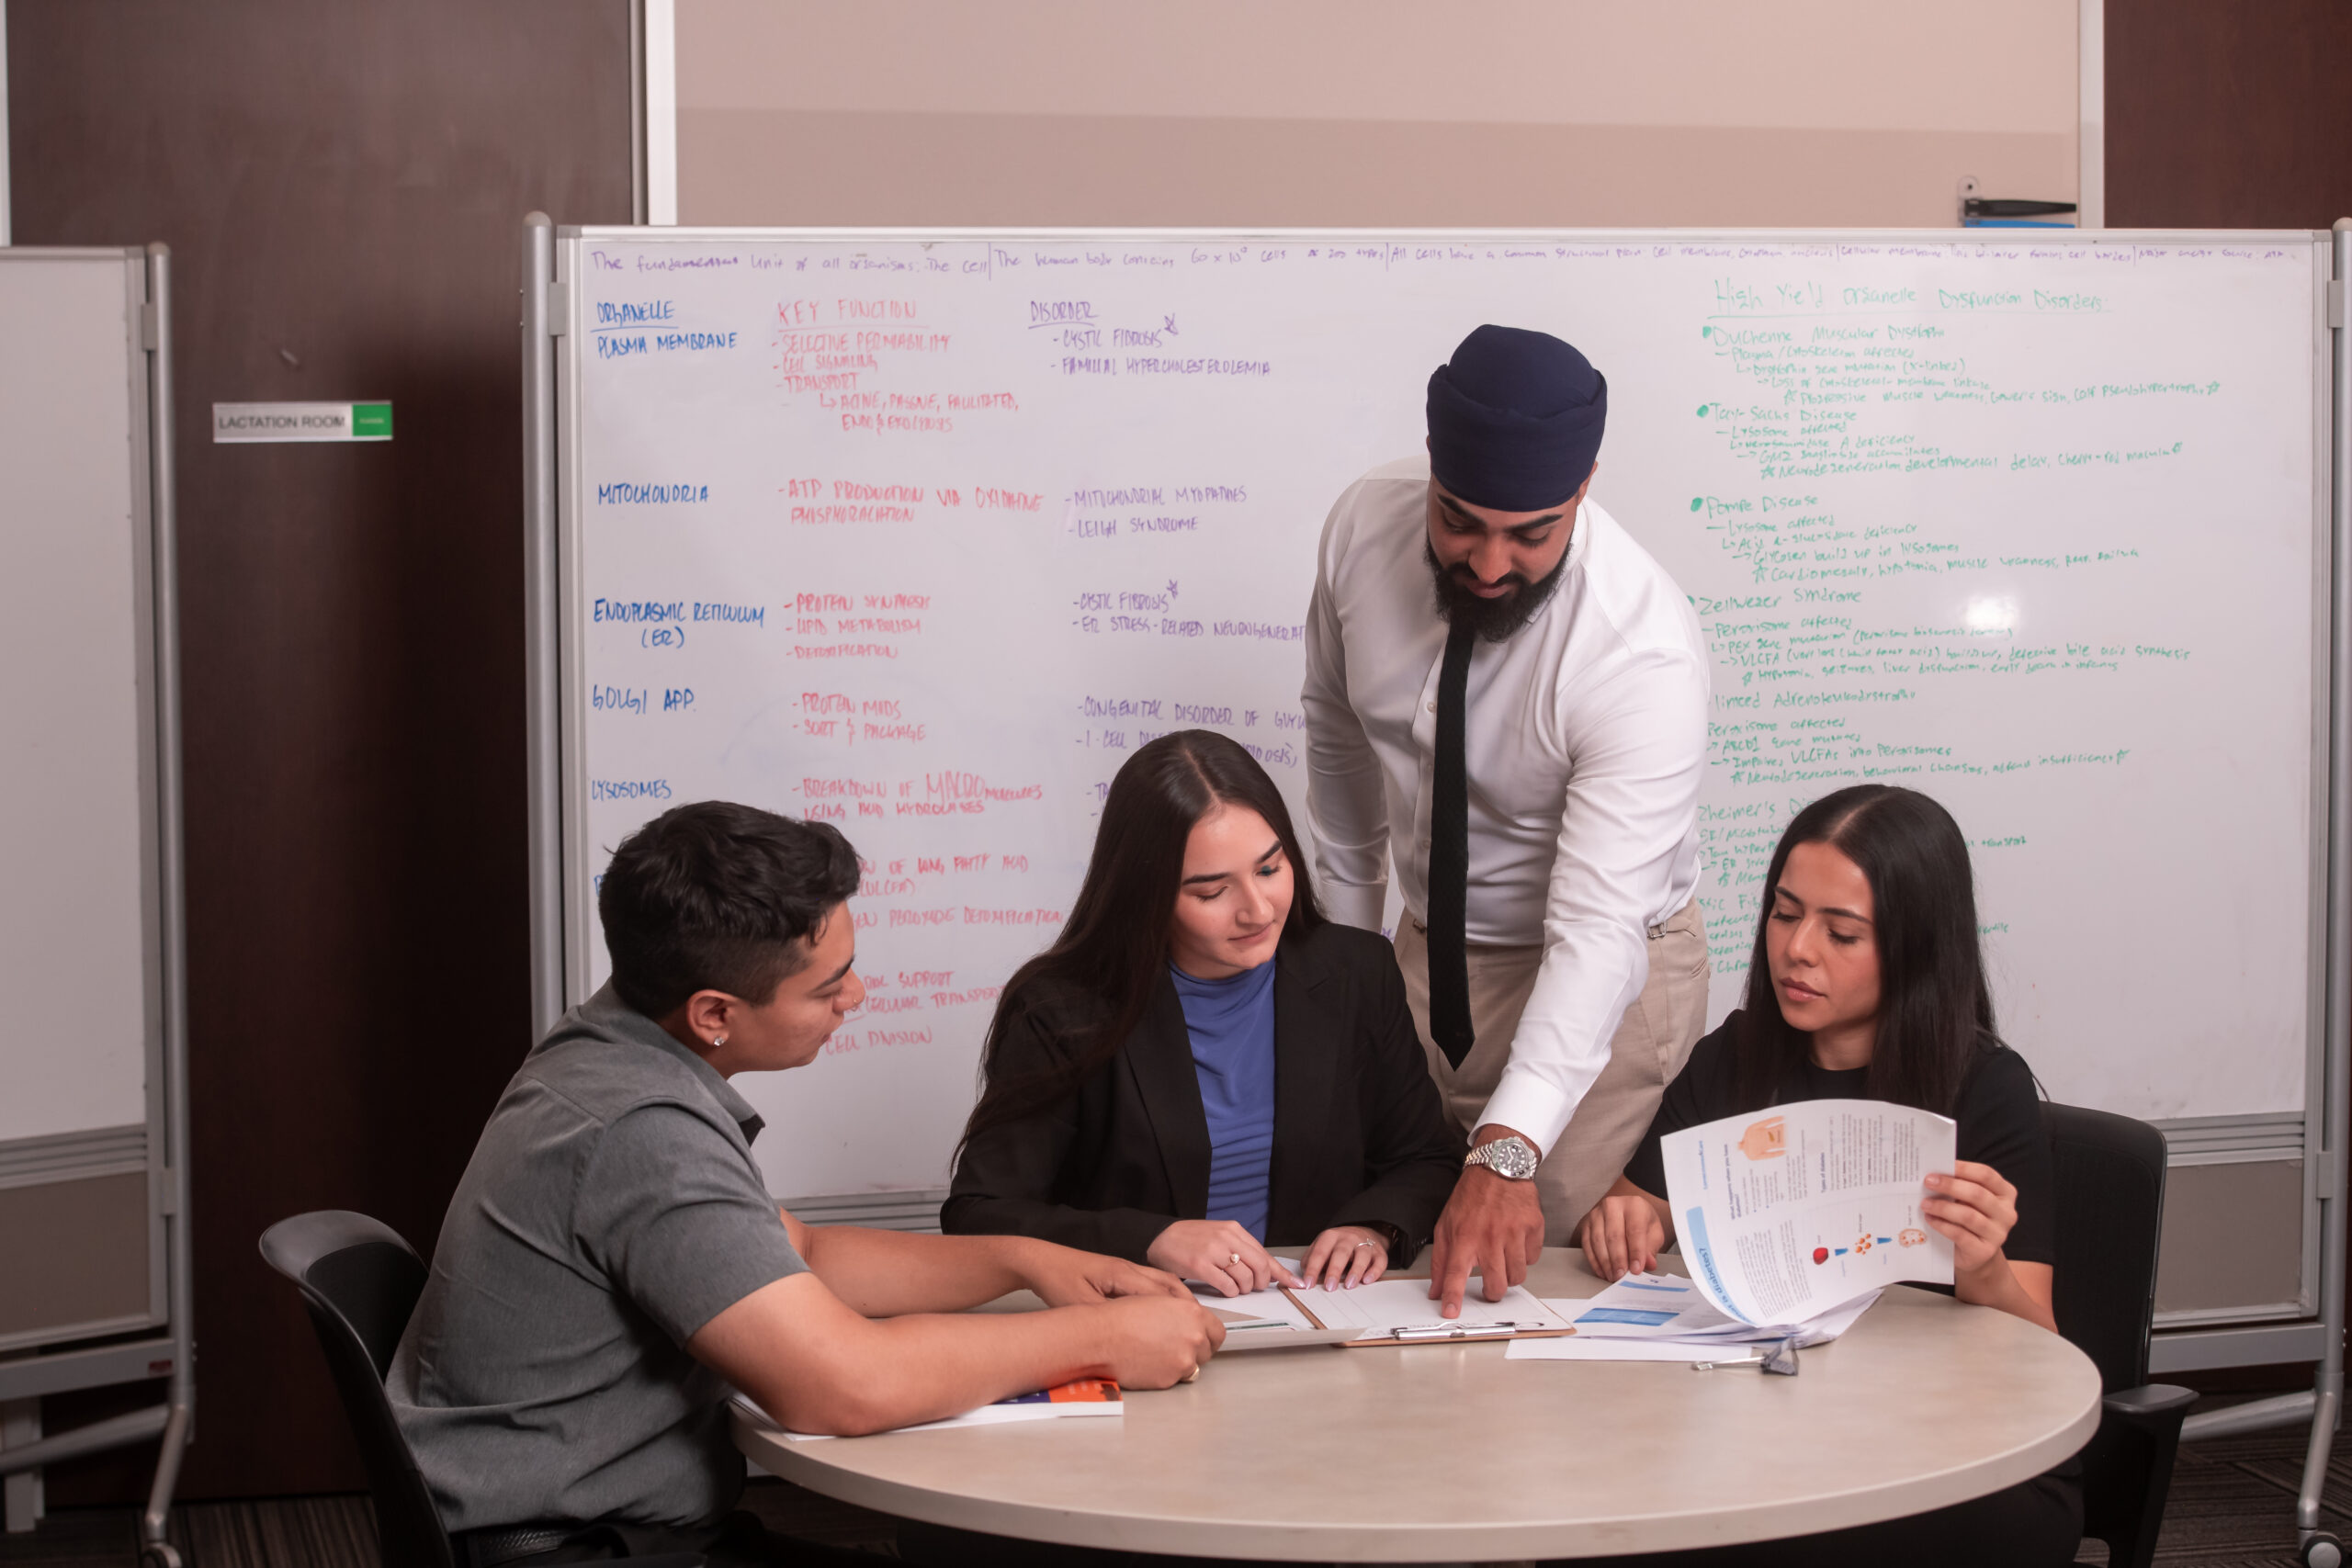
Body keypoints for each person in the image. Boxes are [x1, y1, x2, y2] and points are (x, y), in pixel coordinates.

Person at [389, 802, 1223, 1568]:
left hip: (604, 1528)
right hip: (585, 1551)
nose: (855, 996)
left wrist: (1022, 1258)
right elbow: (841, 1385)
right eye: (829, 985)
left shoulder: (607, 1049)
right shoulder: (641, 1132)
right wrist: (1103, 1338)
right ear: (715, 1013)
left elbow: (805, 1252)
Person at [1302, 321, 1713, 1315]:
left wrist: (1509, 1146)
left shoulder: (1639, 653)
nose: (1488, 562)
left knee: (1523, 1285)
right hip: (1419, 949)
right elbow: (1337, 738)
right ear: (1433, 474)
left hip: (1590, 979)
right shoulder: (1361, 529)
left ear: (1582, 491)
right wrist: (1346, 968)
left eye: (1530, 533)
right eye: (1460, 521)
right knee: (1386, 1247)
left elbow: (1595, 933)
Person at [1575, 784, 2077, 1568]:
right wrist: (1626, 1218)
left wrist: (1983, 1268)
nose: (1797, 949)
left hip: (1948, 1443)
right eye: (1784, 913)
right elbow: (1633, 1203)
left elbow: (2036, 1344)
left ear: (1914, 950)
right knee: (1605, 1497)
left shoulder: (1983, 1086)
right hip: (1774, 1418)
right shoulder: (1736, 1054)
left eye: (1841, 933)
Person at [944, 730, 1464, 1296]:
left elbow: (1426, 1158)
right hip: (1133, 1317)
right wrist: (1150, 1239)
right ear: (1147, 895)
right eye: (1212, 892)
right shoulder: (1059, 1009)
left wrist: (1374, 1226)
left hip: (1313, 1314)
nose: (1259, 910)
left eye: (1269, 869)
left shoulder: (1356, 971)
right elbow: (979, 1215)